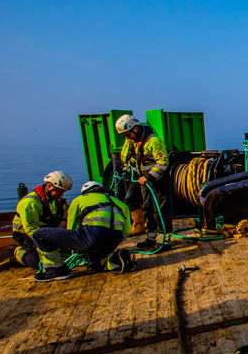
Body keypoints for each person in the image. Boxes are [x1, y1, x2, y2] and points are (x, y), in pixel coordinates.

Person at [30, 180, 134, 281]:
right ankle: (114, 258)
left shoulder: (80, 199)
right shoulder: (120, 204)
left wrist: (71, 246)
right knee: (95, 264)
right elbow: (127, 230)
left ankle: (56, 271)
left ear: (85, 192)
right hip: (113, 241)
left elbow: (71, 226)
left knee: (40, 234)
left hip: (93, 237)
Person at [116, 114, 172, 251]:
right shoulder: (133, 142)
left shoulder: (154, 141)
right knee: (147, 209)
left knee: (160, 211)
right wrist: (129, 168)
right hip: (143, 182)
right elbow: (135, 159)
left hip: (158, 181)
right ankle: (151, 237)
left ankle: (164, 241)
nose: (126, 137)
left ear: (135, 129)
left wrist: (148, 177)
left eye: (127, 134)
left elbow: (163, 163)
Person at [11, 171, 72, 269]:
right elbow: (30, 229)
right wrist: (47, 243)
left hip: (48, 232)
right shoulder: (30, 203)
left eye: (63, 192)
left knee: (67, 253)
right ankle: (16, 252)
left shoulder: (58, 200)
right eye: (59, 191)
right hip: (27, 235)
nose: (61, 194)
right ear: (49, 186)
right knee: (37, 262)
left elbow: (65, 216)